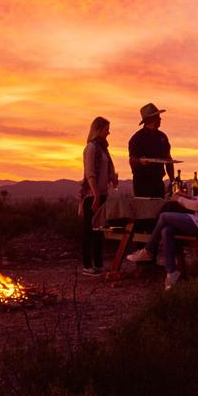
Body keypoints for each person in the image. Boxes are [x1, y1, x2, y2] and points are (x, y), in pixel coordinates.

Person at [126, 147, 198, 290]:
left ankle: (148, 250)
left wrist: (179, 200)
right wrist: (187, 196)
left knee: (164, 216)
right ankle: (171, 272)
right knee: (167, 230)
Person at [79, 116, 117, 276]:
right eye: (106, 129)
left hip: (101, 194)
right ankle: (88, 265)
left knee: (98, 230)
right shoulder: (92, 148)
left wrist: (111, 178)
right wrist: (95, 195)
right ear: (98, 129)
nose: (108, 132)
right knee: (89, 229)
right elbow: (90, 174)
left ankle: (98, 264)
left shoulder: (103, 149)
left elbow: (101, 172)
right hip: (91, 195)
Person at [128, 103, 174, 198]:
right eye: (158, 117)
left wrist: (172, 180)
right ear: (151, 120)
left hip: (158, 182)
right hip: (142, 183)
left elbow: (168, 160)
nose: (160, 119)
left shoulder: (162, 137)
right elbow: (132, 160)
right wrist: (140, 161)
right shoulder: (137, 138)